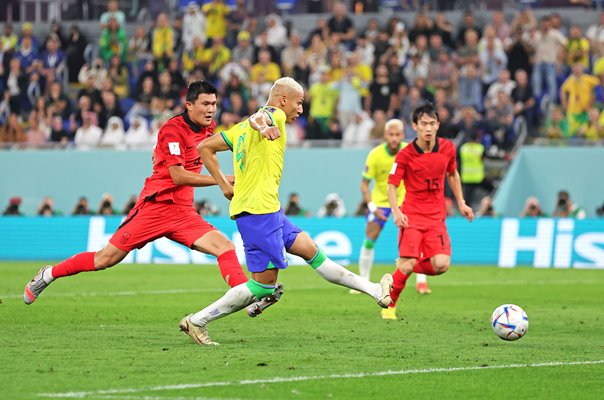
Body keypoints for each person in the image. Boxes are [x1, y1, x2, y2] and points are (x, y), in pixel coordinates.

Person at [182, 77, 394, 345]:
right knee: (262, 285)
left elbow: (205, 147)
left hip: (268, 210)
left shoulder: (240, 129)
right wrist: (262, 125)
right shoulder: (274, 115)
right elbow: (261, 119)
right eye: (299, 102)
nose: (301, 110)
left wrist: (225, 185)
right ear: (283, 100)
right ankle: (198, 320)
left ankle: (376, 291)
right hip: (259, 213)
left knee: (311, 251)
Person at [23, 81, 249, 306]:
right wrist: (221, 180)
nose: (211, 109)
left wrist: (224, 183)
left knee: (225, 247)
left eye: (214, 104)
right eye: (206, 104)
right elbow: (178, 176)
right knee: (105, 259)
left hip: (183, 212)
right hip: (155, 207)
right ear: (189, 105)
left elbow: (209, 157)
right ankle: (49, 274)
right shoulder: (172, 130)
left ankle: (247, 298)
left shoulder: (208, 127)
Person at [382, 103, 474, 320]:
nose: (428, 128)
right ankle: (388, 307)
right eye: (423, 124)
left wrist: (461, 202)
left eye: (432, 123)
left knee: (441, 265)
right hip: (411, 216)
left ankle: (404, 269)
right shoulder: (405, 155)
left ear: (438, 125)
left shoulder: (448, 148)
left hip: (436, 218)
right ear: (415, 126)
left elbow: (453, 174)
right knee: (408, 263)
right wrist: (396, 212)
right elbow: (392, 185)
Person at [355, 118, 431, 296]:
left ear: (403, 135)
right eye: (391, 135)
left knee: (415, 239)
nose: (395, 138)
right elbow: (364, 184)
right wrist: (372, 206)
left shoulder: (411, 151)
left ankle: (421, 282)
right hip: (381, 202)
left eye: (398, 134)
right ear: (385, 135)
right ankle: (362, 282)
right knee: (370, 237)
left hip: (406, 201)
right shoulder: (375, 154)